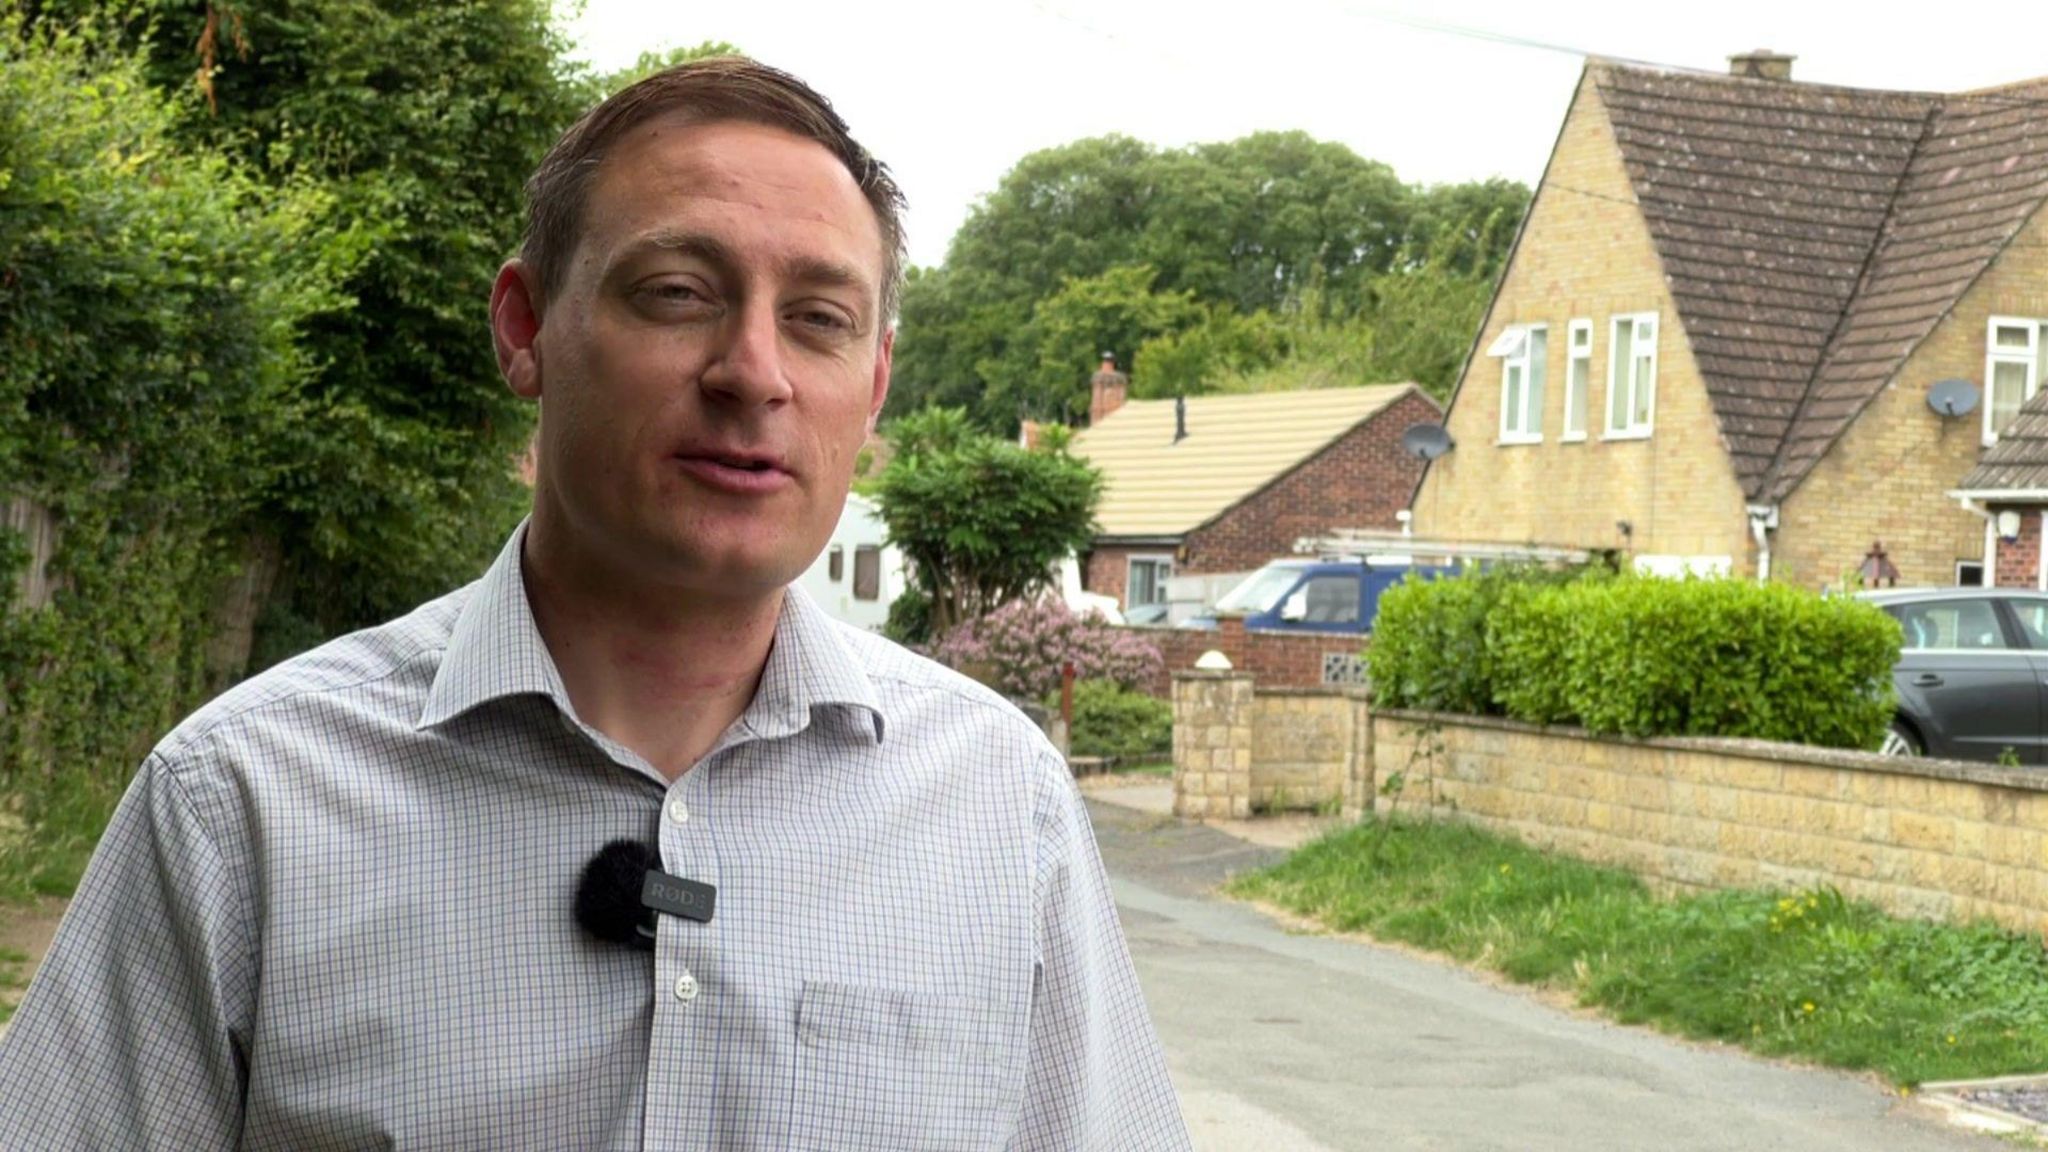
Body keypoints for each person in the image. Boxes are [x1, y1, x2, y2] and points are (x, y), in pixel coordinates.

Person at [0, 57, 1191, 1150]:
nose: (754, 373)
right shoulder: (245, 805)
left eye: (819, 320)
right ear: (524, 328)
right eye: (677, 293)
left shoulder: (997, 810)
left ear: (871, 385)